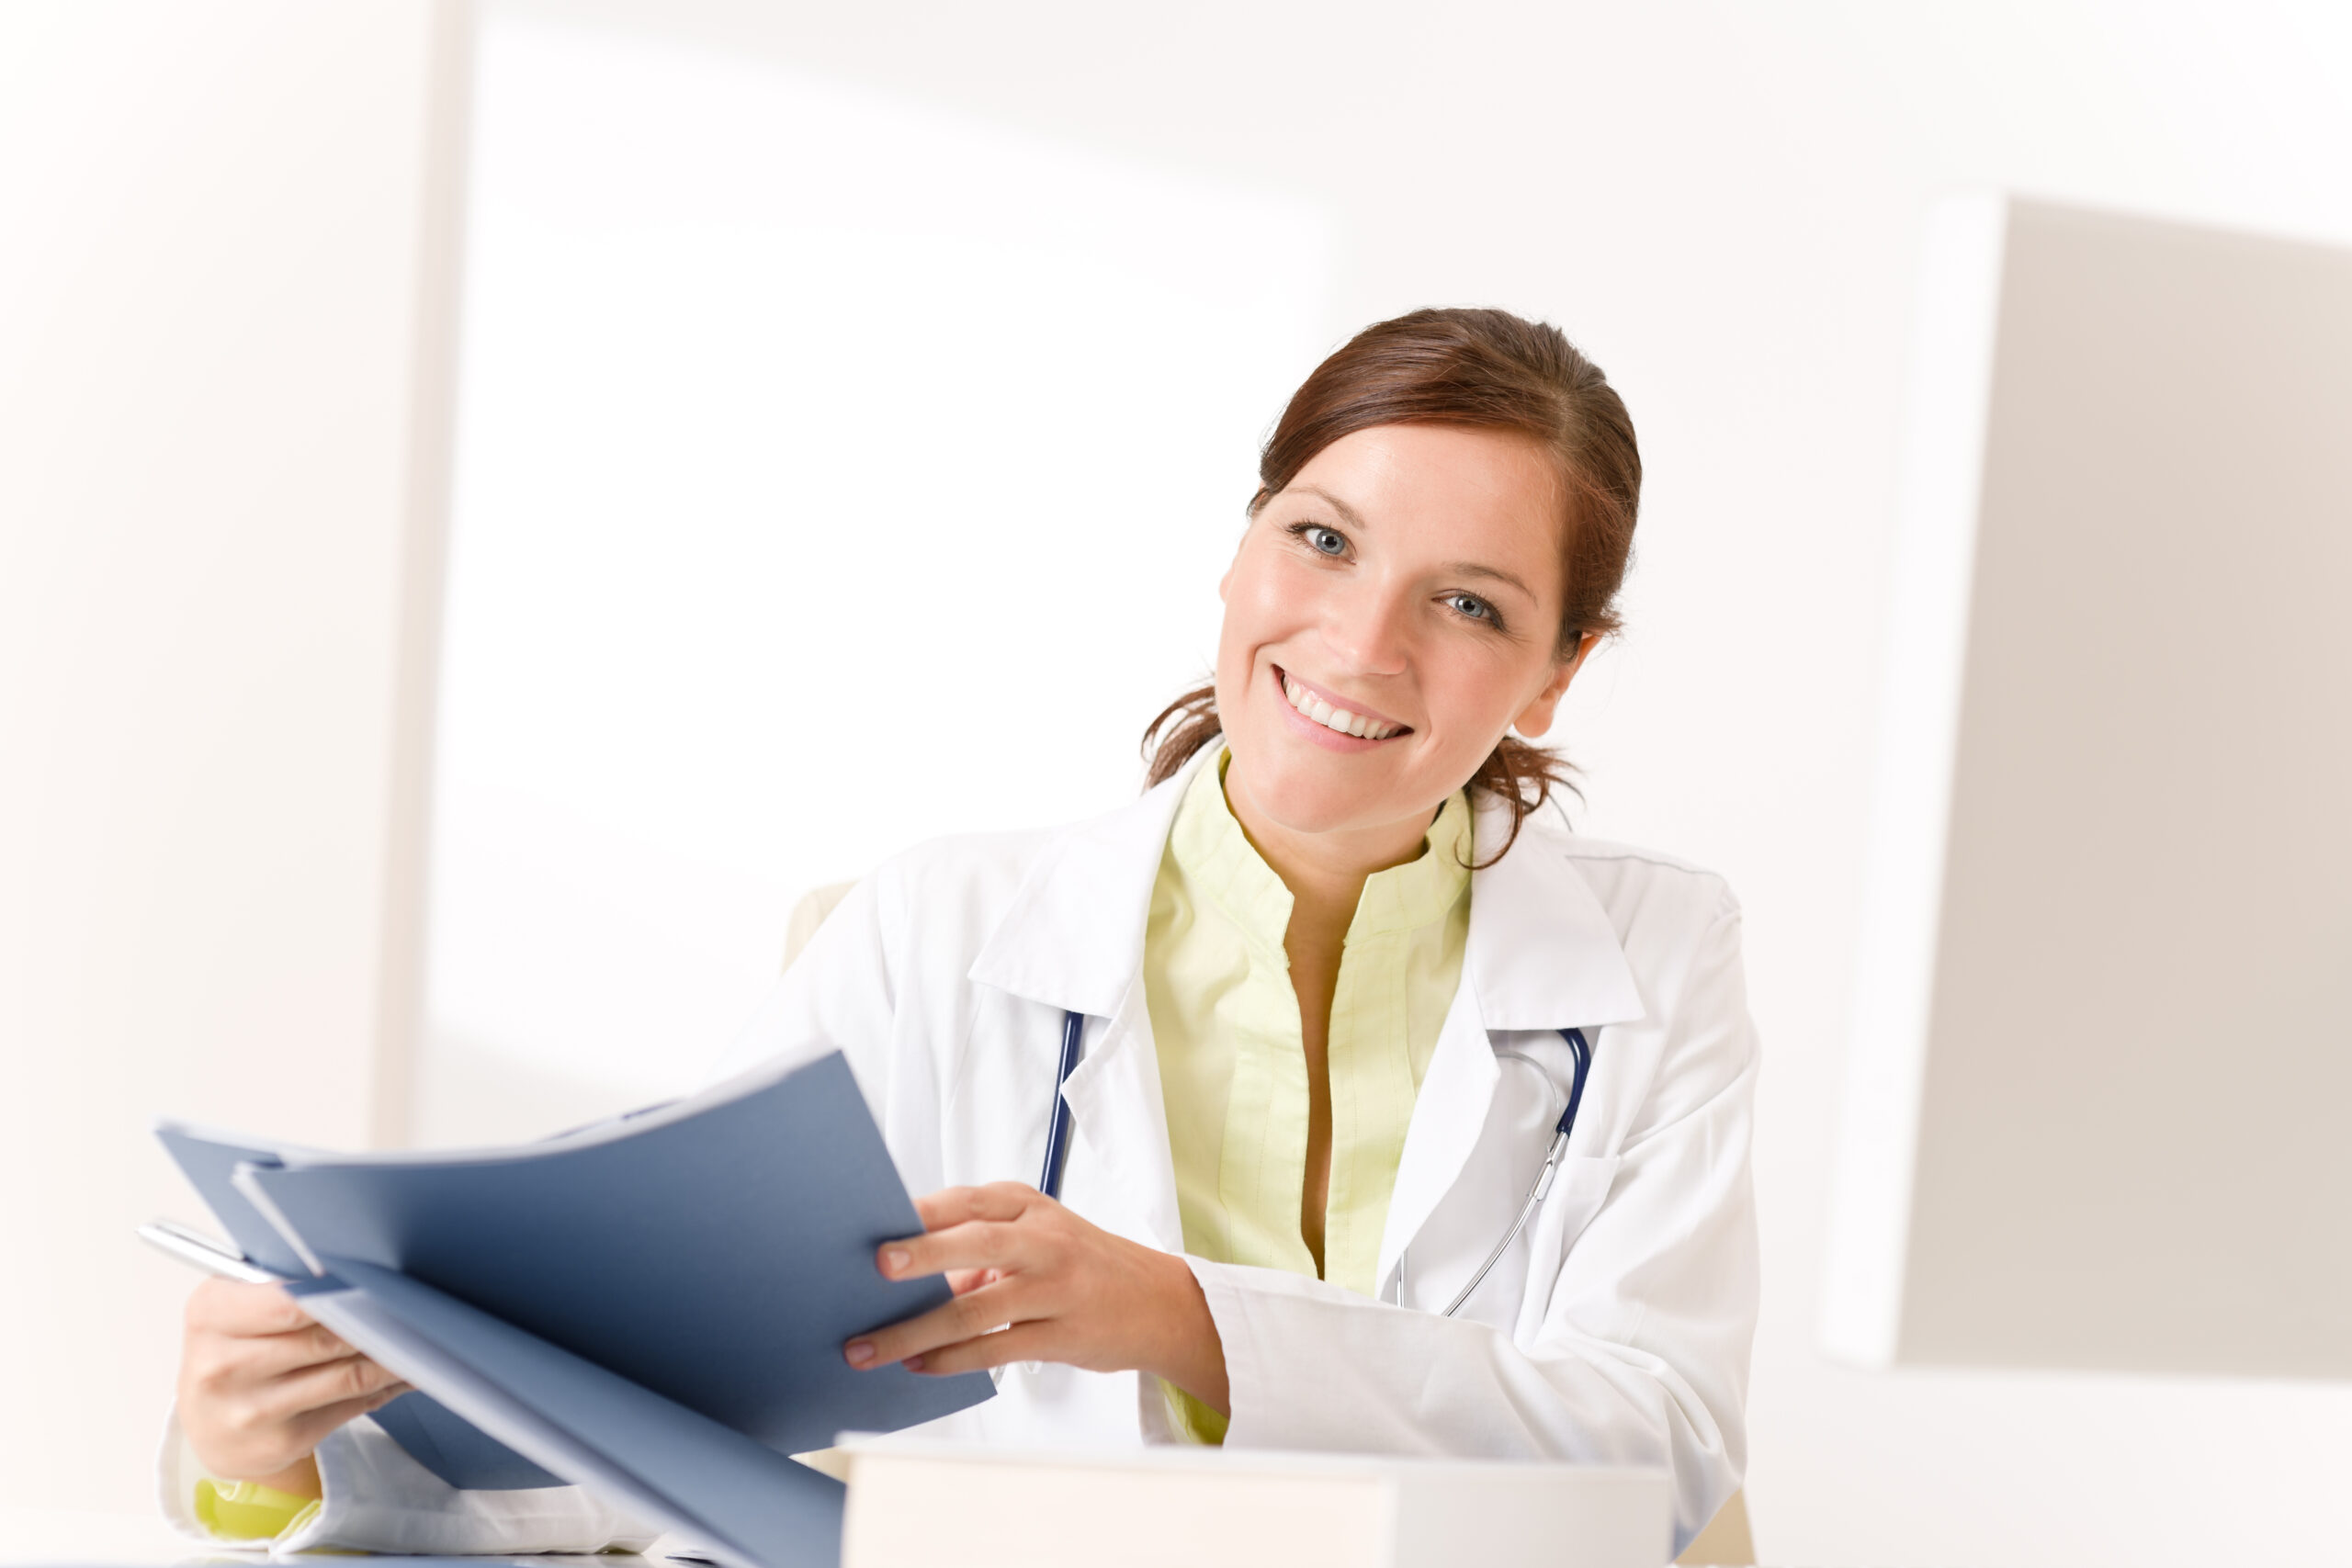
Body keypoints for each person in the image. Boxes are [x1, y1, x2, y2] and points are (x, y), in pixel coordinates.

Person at [165, 308, 1758, 1557]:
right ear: (1243, 544)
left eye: (1469, 604)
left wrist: (1178, 1315)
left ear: (1557, 672)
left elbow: (1659, 1451)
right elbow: (661, 1407)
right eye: (1323, 541)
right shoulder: (945, 930)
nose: (1360, 640)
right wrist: (272, 1452)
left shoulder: (1654, 961)